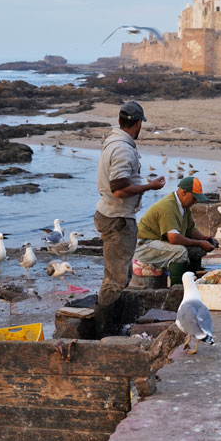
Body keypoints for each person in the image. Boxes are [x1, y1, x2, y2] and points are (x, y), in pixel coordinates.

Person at [94, 101, 166, 326]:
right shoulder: (123, 148)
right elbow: (119, 188)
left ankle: (111, 325)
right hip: (118, 218)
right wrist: (149, 187)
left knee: (117, 274)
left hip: (110, 214)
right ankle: (105, 330)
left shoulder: (113, 142)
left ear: (119, 121)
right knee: (115, 279)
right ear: (137, 124)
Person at [134, 177, 218, 282]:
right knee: (179, 252)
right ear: (184, 192)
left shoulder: (184, 206)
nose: (195, 202)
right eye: (194, 198)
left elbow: (190, 230)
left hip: (158, 242)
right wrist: (200, 243)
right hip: (144, 245)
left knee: (198, 250)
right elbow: (174, 239)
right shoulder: (168, 207)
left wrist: (206, 239)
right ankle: (177, 289)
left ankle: (191, 281)